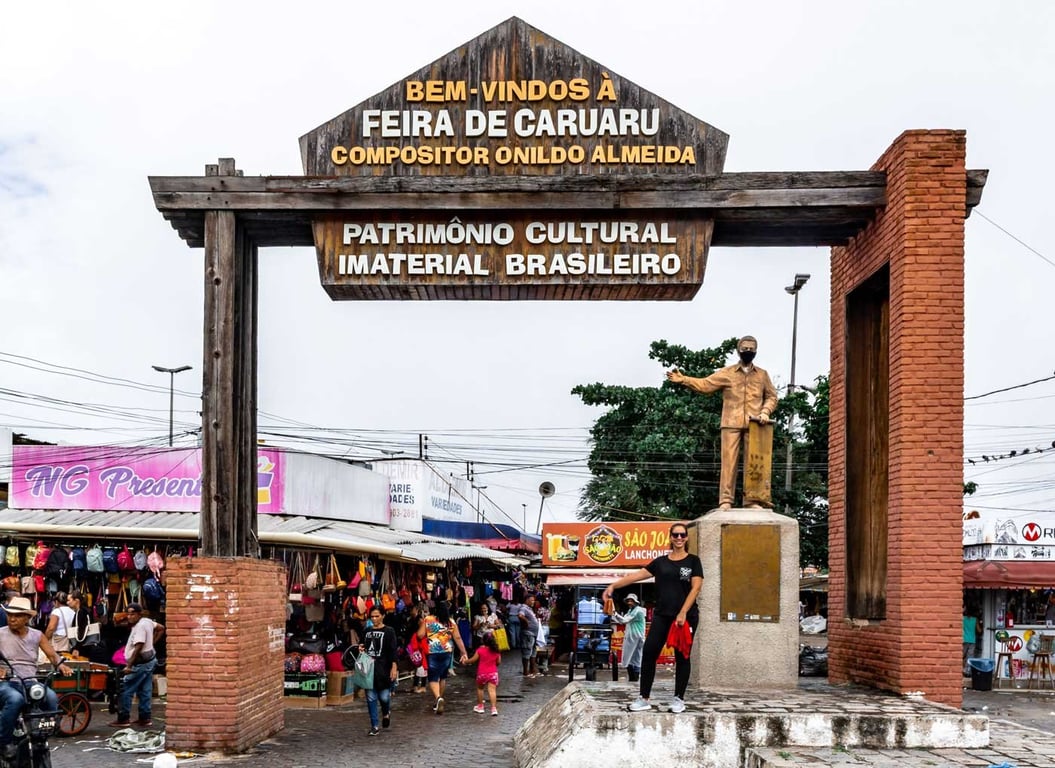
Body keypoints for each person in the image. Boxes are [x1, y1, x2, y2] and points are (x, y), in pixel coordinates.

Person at [667, 336, 779, 509]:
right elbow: (705, 384)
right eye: (745, 348)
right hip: (730, 422)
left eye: (751, 349)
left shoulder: (762, 375)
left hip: (756, 424)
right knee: (728, 463)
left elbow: (772, 396)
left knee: (754, 463)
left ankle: (752, 500)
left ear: (756, 351)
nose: (748, 352)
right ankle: (726, 500)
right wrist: (684, 380)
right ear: (738, 350)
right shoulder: (727, 373)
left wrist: (765, 411)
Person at [603, 522, 703, 714]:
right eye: (676, 535)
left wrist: (682, 612)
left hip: (685, 617)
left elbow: (696, 588)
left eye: (682, 535)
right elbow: (638, 575)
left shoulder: (693, 561)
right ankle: (644, 698)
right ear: (671, 537)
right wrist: (613, 586)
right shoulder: (660, 562)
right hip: (662, 615)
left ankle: (678, 699)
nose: (679, 538)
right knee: (649, 653)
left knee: (682, 656)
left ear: (687, 538)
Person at [0, 596, 72, 759]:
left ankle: (42, 736)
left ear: (27, 618)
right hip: (7, 683)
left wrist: (61, 665)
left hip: (30, 681)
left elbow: (53, 656)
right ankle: (4, 743)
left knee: (51, 697)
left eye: (17, 616)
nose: (12, 618)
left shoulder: (37, 635)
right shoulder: (0, 634)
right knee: (15, 699)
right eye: (9, 615)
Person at [110, 602, 165, 728]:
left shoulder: (140, 626)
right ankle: (145, 718)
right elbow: (161, 628)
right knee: (145, 690)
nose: (130, 617)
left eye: (133, 614)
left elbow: (138, 646)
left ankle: (123, 718)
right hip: (149, 660)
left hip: (139, 663)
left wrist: (129, 665)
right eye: (128, 614)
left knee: (126, 689)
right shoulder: (147, 621)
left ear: (139, 614)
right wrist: (151, 644)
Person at [424, 601, 468, 715]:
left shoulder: (428, 620)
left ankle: (438, 698)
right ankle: (438, 700)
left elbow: (419, 634)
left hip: (433, 651)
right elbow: (457, 638)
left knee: (433, 677)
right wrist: (464, 652)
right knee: (443, 677)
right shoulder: (451, 622)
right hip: (447, 652)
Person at [361, 606, 398, 736]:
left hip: (384, 669)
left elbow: (393, 651)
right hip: (369, 670)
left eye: (377, 616)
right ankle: (374, 725)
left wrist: (394, 667)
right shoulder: (366, 631)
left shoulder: (389, 631)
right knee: (371, 698)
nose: (375, 619)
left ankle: (386, 712)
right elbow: (363, 647)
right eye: (372, 616)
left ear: (383, 615)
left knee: (384, 697)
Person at [611, 593, 647, 682]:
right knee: (632, 659)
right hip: (632, 637)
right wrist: (613, 614)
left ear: (635, 602)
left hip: (636, 637)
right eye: (628, 601)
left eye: (631, 601)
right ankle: (632, 679)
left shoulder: (638, 611)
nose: (630, 603)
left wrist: (615, 613)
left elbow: (624, 620)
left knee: (634, 658)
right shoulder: (631, 611)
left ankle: (634, 678)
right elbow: (622, 620)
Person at [465, 630, 501, 716]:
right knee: (492, 691)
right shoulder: (496, 651)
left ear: (483, 640)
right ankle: (493, 709)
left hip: (482, 673)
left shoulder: (480, 650)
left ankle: (480, 706)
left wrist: (466, 661)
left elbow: (473, 660)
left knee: (480, 689)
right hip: (493, 673)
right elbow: (498, 662)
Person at [518, 596, 540, 678]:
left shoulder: (530, 609)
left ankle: (532, 670)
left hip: (533, 634)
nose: (533, 602)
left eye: (534, 600)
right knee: (527, 652)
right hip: (528, 633)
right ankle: (525, 671)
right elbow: (520, 615)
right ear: (527, 600)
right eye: (532, 600)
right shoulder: (523, 608)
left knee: (533, 652)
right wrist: (526, 621)